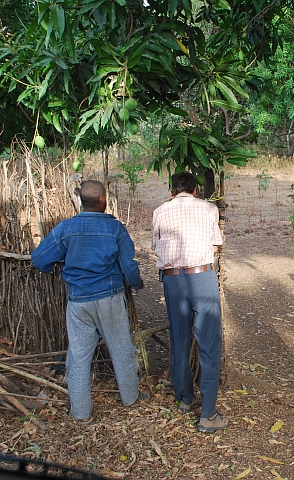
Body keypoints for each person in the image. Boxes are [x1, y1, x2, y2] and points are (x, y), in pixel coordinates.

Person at [31, 180, 143, 424]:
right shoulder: (115, 229)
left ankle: (81, 413)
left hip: (78, 300)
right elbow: (128, 264)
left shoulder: (66, 228)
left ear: (82, 200)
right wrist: (136, 283)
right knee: (122, 349)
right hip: (109, 297)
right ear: (103, 200)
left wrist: (58, 265)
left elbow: (39, 260)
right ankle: (131, 399)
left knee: (79, 356)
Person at [151, 171, 227, 433]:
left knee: (179, 341)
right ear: (196, 189)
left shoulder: (160, 211)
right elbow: (215, 245)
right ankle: (208, 414)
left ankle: (185, 399)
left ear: (172, 191)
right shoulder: (209, 209)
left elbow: (155, 245)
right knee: (208, 346)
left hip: (173, 281)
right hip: (201, 278)